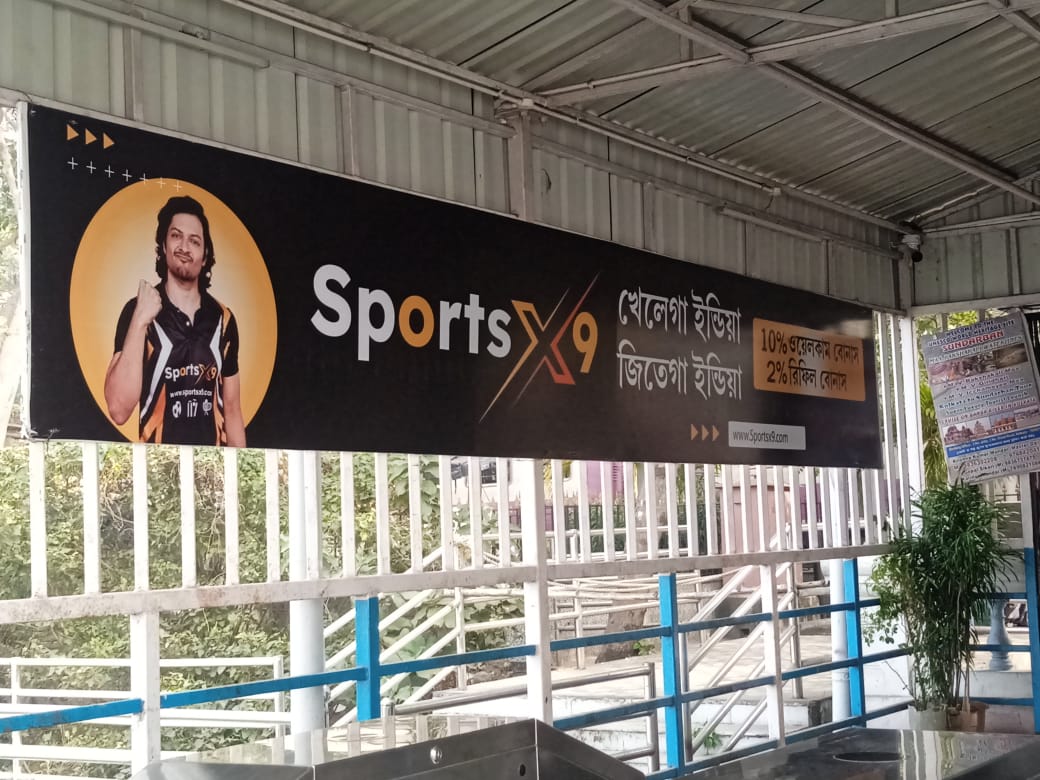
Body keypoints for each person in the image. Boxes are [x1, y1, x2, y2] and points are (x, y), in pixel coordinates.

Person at [104, 195, 246, 446]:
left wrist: (238, 466)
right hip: (157, 464)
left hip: (212, 463)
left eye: (194, 241)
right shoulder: (136, 310)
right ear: (163, 245)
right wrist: (140, 321)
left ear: (205, 255)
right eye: (176, 236)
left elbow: (233, 410)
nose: (184, 247)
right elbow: (118, 409)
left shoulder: (224, 319)